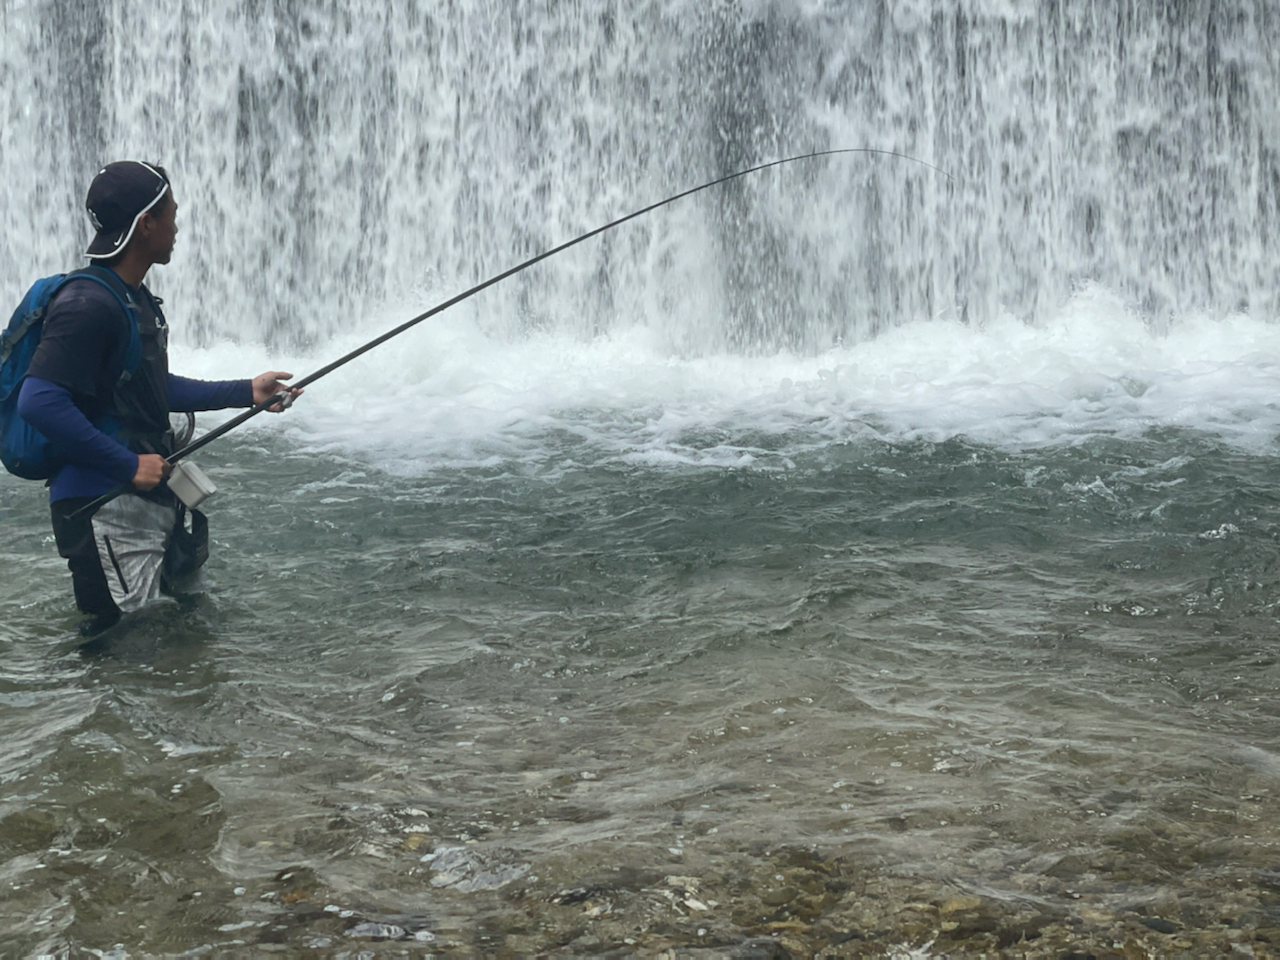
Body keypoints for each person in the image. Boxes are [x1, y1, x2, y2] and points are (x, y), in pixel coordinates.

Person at [17, 160, 299, 635]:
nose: (177, 224)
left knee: (165, 642)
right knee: (121, 650)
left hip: (136, 497)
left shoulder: (131, 298)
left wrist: (246, 392)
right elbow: (38, 401)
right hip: (99, 504)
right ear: (145, 224)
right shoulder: (87, 305)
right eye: (170, 212)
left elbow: (148, 389)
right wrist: (127, 465)